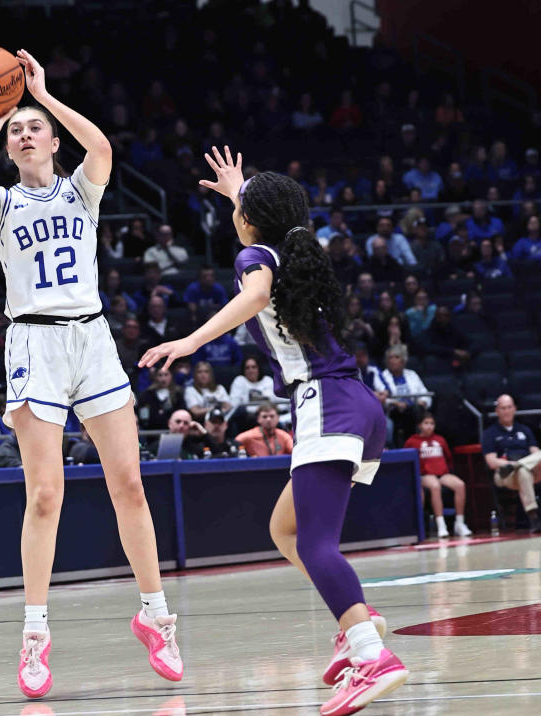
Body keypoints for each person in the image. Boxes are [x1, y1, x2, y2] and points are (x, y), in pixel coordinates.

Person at [0, 49, 182, 697]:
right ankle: (34, 636)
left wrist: (44, 96)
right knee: (45, 495)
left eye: (33, 127)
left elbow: (103, 146)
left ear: (52, 139)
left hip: (92, 337)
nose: (25, 133)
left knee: (129, 485)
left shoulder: (82, 188)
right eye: (17, 129)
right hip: (34, 345)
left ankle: (157, 616)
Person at [140, 153, 406, 714]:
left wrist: (189, 342)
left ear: (249, 221)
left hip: (325, 403)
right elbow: (264, 235)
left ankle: (371, 654)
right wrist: (239, 191)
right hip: (360, 403)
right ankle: (362, 618)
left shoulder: (254, 255)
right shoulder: (296, 250)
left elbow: (256, 294)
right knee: (284, 528)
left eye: (242, 208)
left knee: (314, 543)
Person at [483, 394, 541, 533]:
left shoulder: (524, 429)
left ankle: (521, 464)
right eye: (503, 408)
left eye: (509, 407)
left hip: (528, 469)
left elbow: (536, 453)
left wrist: (523, 463)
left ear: (514, 409)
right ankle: (533, 516)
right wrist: (511, 464)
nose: (506, 411)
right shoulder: (490, 433)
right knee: (523, 472)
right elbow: (491, 462)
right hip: (505, 473)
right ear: (497, 411)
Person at [403, 413, 471, 538]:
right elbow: (408, 460)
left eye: (432, 424)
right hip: (424, 475)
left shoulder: (440, 439)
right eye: (426, 423)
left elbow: (448, 458)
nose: (429, 427)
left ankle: (459, 523)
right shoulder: (412, 441)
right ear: (420, 425)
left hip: (442, 473)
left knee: (460, 485)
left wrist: (445, 470)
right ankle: (441, 524)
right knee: (435, 486)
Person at [136, 365, 184, 430]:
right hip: (152, 433)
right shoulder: (147, 394)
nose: (163, 378)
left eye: (166, 375)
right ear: (155, 377)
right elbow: (143, 417)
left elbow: (182, 412)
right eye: (160, 375)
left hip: (174, 431)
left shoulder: (178, 393)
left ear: (171, 376)